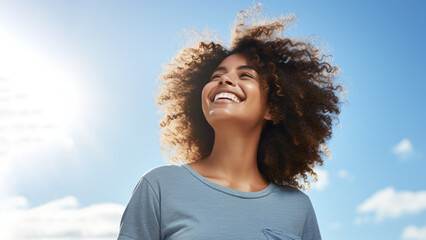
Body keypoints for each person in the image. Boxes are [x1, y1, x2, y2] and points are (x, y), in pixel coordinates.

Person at [118, 3, 344, 240]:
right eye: (217, 76)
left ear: (273, 108)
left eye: (245, 75)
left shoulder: (298, 208)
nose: (225, 80)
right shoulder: (160, 186)